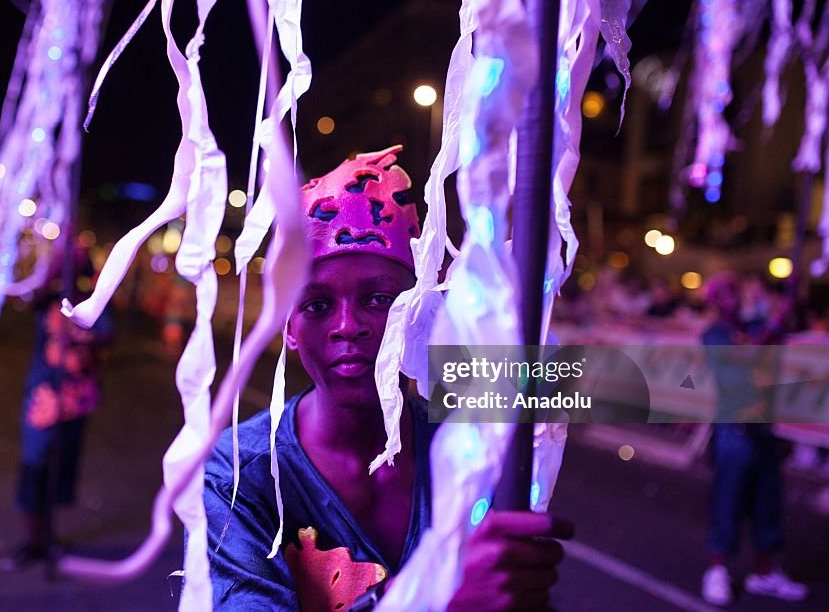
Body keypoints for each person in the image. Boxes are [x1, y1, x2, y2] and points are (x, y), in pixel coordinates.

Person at [204, 147, 572, 611]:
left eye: (379, 300)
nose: (347, 326)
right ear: (289, 329)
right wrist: (440, 596)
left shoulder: (470, 448)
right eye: (317, 306)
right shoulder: (238, 475)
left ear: (416, 312)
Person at [700, 272, 808, 606]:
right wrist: (775, 320)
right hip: (734, 431)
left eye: (736, 290)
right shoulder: (715, 335)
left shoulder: (751, 327)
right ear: (715, 300)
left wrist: (790, 301)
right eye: (726, 292)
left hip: (764, 431)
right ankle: (717, 571)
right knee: (728, 501)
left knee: (768, 502)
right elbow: (746, 360)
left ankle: (764, 572)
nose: (734, 297)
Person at [13, 246, 113, 564]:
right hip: (43, 405)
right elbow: (32, 294)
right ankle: (34, 540)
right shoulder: (45, 303)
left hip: (76, 402)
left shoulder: (92, 307)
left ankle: (49, 537)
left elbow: (105, 340)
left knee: (59, 472)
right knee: (35, 468)